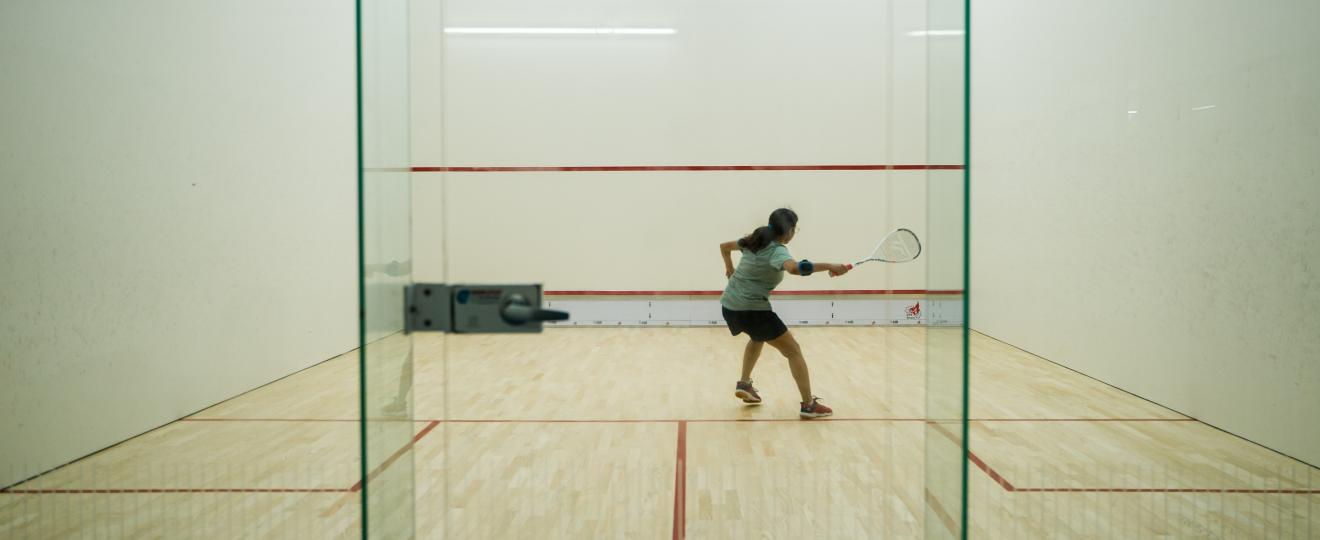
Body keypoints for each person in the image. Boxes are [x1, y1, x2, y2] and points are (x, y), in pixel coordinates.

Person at [719, 208, 850, 418]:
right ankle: (808, 405)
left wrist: (729, 269)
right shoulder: (777, 251)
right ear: (789, 231)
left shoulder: (753, 239)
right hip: (753, 310)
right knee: (793, 351)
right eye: (795, 229)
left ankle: (744, 384)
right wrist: (829, 266)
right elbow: (794, 268)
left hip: (729, 305)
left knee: (757, 337)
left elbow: (724, 247)